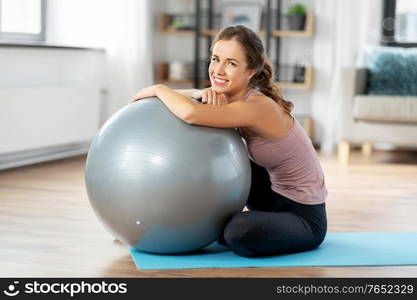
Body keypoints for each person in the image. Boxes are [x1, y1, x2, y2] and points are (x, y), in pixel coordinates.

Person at [130, 25, 327, 257]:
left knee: (238, 232)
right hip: (271, 196)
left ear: (251, 71)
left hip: (303, 216)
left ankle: (239, 226)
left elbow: (191, 114)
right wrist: (196, 93)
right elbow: (190, 97)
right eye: (215, 59)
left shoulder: (258, 106)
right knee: (226, 164)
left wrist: (159, 88)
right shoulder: (232, 94)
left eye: (231, 63)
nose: (218, 70)